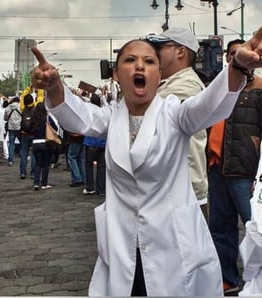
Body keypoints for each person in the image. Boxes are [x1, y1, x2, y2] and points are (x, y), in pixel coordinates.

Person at [30, 26, 262, 296]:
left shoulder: (176, 114)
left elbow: (210, 104)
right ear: (117, 75)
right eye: (130, 60)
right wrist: (55, 86)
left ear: (159, 75)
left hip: (173, 246)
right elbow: (78, 116)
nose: (139, 65)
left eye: (149, 61)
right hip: (122, 245)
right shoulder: (111, 117)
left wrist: (237, 68)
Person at [207, 38, 262, 295]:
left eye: (241, 52)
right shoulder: (217, 88)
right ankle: (228, 279)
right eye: (231, 54)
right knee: (220, 228)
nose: (236, 57)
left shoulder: (260, 88)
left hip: (246, 172)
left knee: (256, 230)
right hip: (217, 168)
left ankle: (256, 283)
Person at [147, 27, 209, 220]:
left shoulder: (186, 86)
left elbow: (144, 113)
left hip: (183, 194)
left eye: (159, 48)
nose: (153, 55)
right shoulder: (167, 84)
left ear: (180, 51)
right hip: (168, 190)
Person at [82, 94, 106, 196]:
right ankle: (101, 190)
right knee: (101, 167)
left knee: (88, 166)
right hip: (102, 143)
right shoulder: (104, 112)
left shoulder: (88, 113)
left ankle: (90, 187)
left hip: (90, 142)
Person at [30, 102, 58, 190]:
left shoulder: (33, 119)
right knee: (46, 164)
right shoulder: (47, 118)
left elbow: (29, 129)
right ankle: (44, 183)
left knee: (38, 164)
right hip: (45, 142)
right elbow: (55, 128)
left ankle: (36, 183)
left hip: (35, 143)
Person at [4, 96, 22, 166]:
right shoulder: (21, 107)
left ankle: (10, 159)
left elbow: (5, 118)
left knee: (11, 143)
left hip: (11, 127)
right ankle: (22, 155)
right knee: (21, 143)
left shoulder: (8, 108)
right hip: (19, 127)